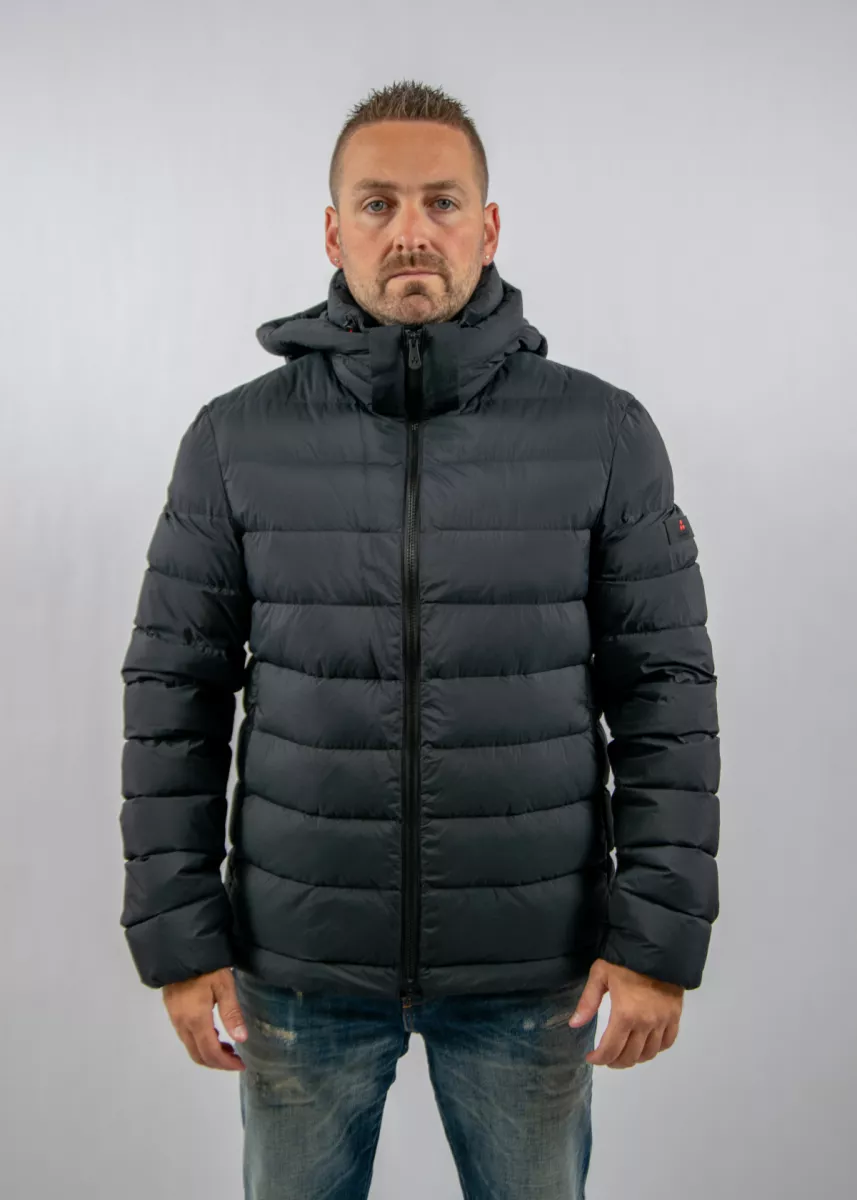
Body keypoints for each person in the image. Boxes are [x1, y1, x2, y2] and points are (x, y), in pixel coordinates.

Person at [118, 79, 720, 1200]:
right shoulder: (234, 440)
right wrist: (180, 941)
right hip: (296, 969)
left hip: (533, 973)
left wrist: (653, 943)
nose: (410, 231)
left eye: (441, 202)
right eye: (378, 202)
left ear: (486, 228)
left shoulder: (602, 432)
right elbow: (172, 698)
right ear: (332, 230)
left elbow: (665, 695)